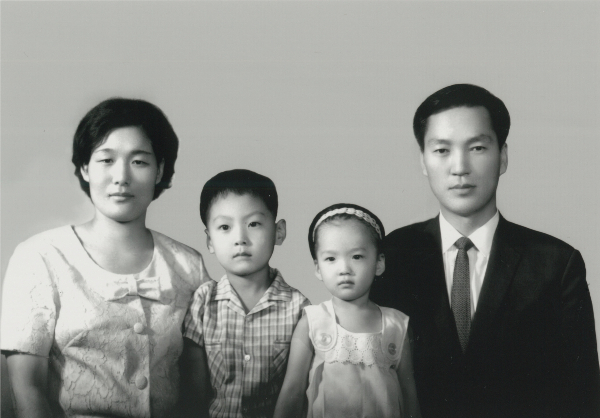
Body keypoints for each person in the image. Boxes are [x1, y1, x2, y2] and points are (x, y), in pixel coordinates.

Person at [370, 84, 600, 418]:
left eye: (477, 148)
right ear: (423, 161)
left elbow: (584, 396)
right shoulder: (392, 256)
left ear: (503, 156)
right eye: (442, 150)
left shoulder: (555, 263)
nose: (459, 167)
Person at [0, 98, 210, 418]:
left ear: (159, 171)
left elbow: (199, 389)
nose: (121, 177)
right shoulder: (40, 256)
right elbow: (27, 390)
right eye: (106, 160)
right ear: (85, 168)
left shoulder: (188, 265)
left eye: (139, 161)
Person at [180, 169, 310, 418]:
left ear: (279, 231)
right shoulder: (203, 302)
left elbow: (295, 393)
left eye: (254, 224)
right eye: (225, 227)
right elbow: (193, 393)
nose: (240, 238)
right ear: (209, 241)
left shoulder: (299, 308)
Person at [274, 203, 421, 418]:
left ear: (379, 263)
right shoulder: (313, 322)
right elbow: (291, 393)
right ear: (318, 268)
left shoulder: (397, 326)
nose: (344, 269)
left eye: (357, 257)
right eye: (331, 259)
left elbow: (409, 397)